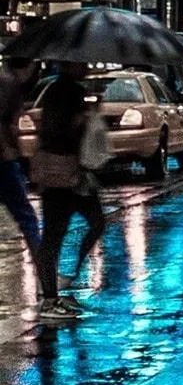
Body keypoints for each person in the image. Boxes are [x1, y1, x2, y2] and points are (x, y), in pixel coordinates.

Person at [33, 66, 108, 318]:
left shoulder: (74, 91)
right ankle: (50, 299)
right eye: (81, 63)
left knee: (96, 222)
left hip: (76, 174)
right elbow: (56, 131)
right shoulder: (60, 91)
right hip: (61, 173)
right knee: (54, 235)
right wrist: (83, 120)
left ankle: (65, 279)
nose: (86, 67)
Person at [0, 58, 41, 273]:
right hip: (4, 161)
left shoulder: (9, 83)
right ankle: (46, 278)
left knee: (26, 217)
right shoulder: (7, 83)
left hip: (7, 159)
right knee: (27, 218)